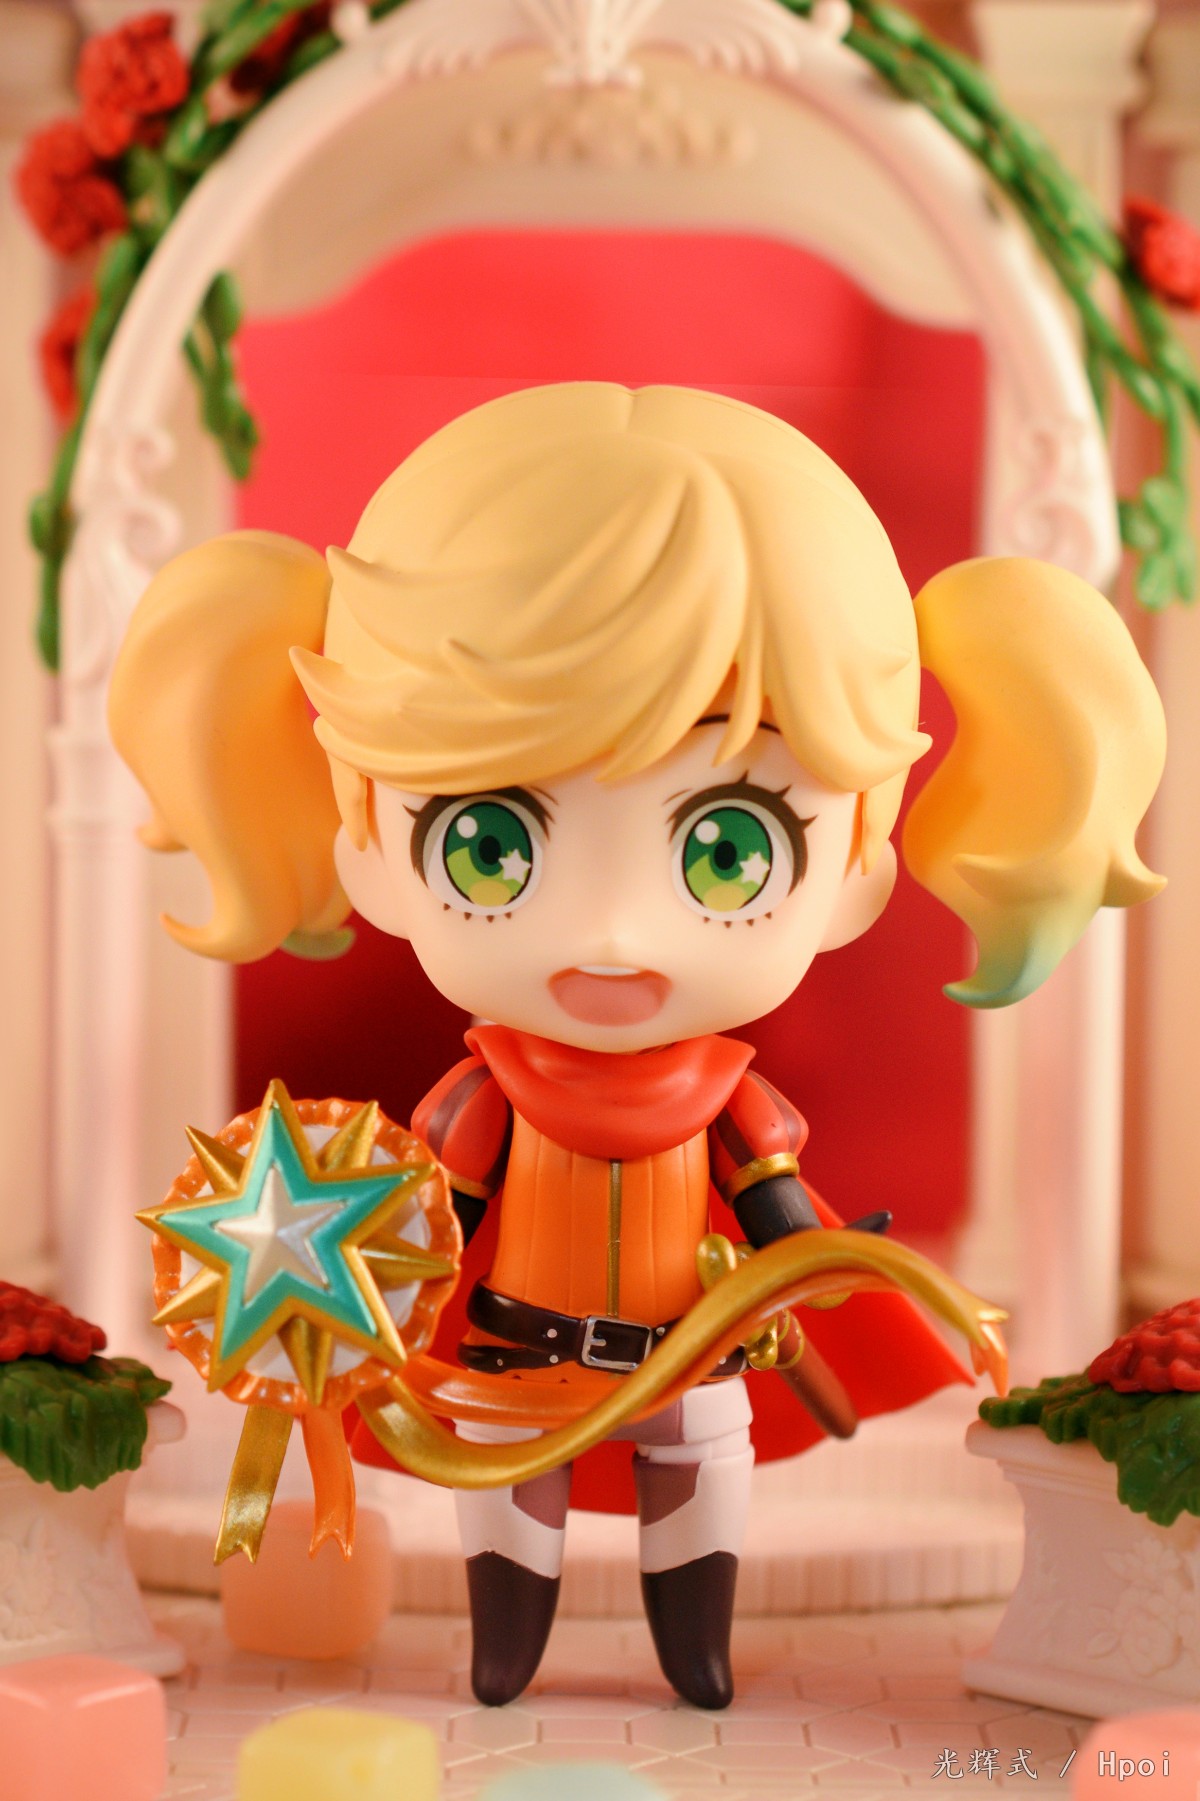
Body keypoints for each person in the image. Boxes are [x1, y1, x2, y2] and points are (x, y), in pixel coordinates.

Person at [109, 382, 1165, 1707]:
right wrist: (366, 1317)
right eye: (490, 844)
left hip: (692, 1354)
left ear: (854, 864)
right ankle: (508, 1653)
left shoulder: (729, 1101)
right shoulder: (486, 1100)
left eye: (727, 851)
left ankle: (694, 1654)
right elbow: (434, 1224)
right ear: (367, 842)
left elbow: (780, 1213)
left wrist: (810, 1270)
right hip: (511, 1356)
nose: (611, 934)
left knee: (698, 1476)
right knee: (510, 1494)